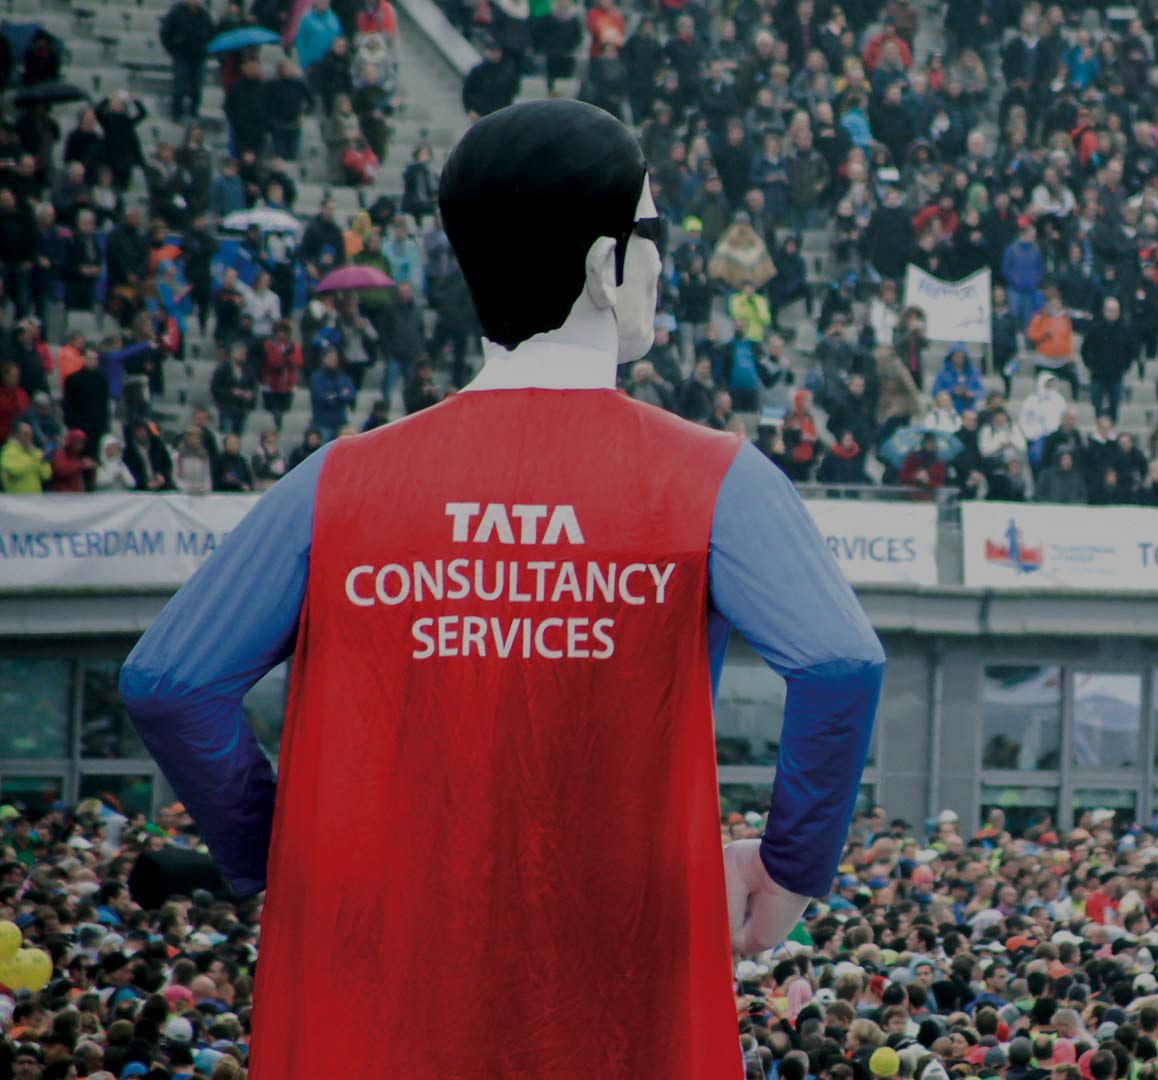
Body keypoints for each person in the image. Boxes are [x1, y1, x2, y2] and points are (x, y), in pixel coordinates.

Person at [119, 101, 884, 1076]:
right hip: (620, 999)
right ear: (607, 268)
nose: (663, 263)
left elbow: (169, 684)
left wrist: (272, 852)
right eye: (651, 235)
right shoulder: (713, 479)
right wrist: (783, 877)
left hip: (372, 1009)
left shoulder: (339, 480)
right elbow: (841, 663)